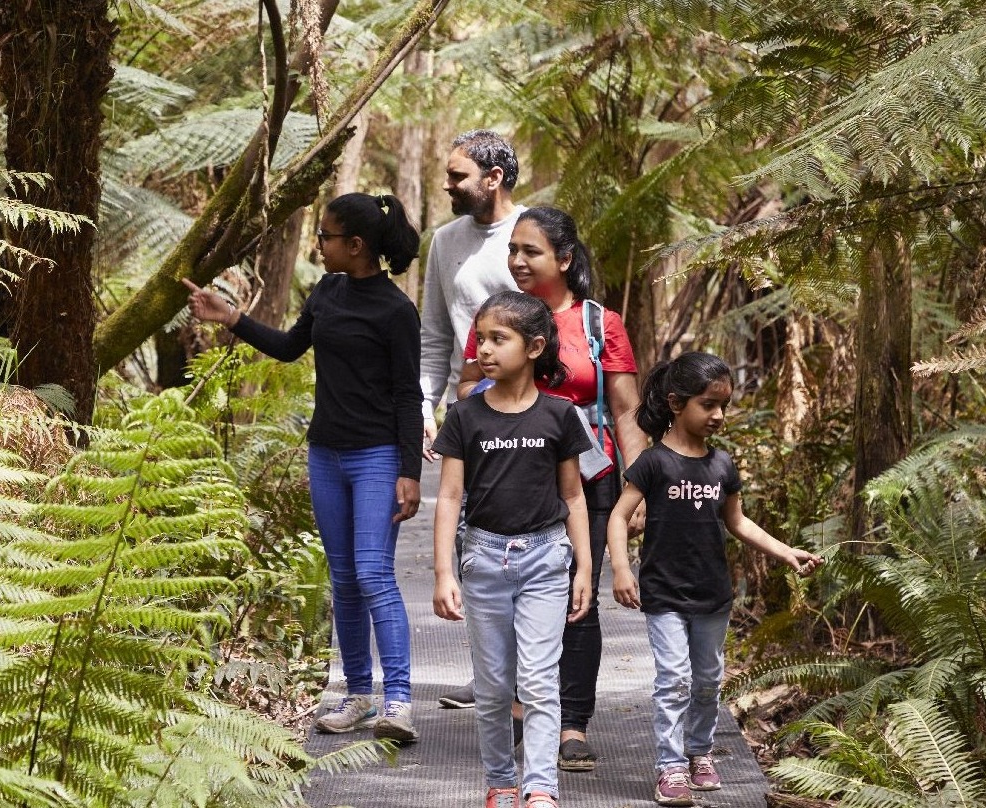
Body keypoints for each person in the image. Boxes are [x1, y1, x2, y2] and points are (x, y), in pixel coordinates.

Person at [183, 192, 424, 744]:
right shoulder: (328, 291)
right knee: (343, 578)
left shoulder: (395, 310)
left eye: (326, 236)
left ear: (356, 246)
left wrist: (408, 470)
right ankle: (359, 693)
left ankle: (399, 701)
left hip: (377, 457)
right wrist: (232, 318)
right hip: (326, 453)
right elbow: (292, 347)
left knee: (372, 574)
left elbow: (407, 395)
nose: (320, 245)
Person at [452, 206, 646, 771]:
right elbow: (468, 387)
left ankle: (572, 724)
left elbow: (626, 408)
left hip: (591, 475)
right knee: (516, 592)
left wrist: (639, 488)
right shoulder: (498, 317)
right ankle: (519, 706)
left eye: (530, 251)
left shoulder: (598, 324)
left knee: (577, 600)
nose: (516, 261)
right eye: (512, 250)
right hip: (512, 470)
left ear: (564, 259)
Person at [607, 352, 823, 807]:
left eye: (724, 404)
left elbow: (739, 523)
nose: (719, 415)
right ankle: (669, 767)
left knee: (707, 679)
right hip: (664, 592)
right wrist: (623, 568)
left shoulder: (722, 465)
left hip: (713, 593)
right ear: (675, 403)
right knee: (674, 678)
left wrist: (787, 552)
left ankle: (700, 752)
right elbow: (619, 516)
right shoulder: (652, 463)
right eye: (708, 404)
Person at [431, 290, 593, 808]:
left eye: (499, 339)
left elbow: (573, 495)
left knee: (540, 681)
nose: (484, 349)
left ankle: (540, 787)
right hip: (483, 560)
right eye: (480, 338)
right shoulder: (464, 416)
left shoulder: (560, 416)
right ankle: (501, 781)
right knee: (496, 687)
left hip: (547, 559)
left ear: (534, 346)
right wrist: (443, 573)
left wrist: (585, 565)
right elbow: (450, 496)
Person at [420, 129, 525, 461]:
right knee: (465, 508)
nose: (446, 184)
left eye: (457, 176)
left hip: (528, 407)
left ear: (493, 178)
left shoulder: (535, 231)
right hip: (465, 406)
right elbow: (436, 333)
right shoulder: (444, 240)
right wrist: (425, 405)